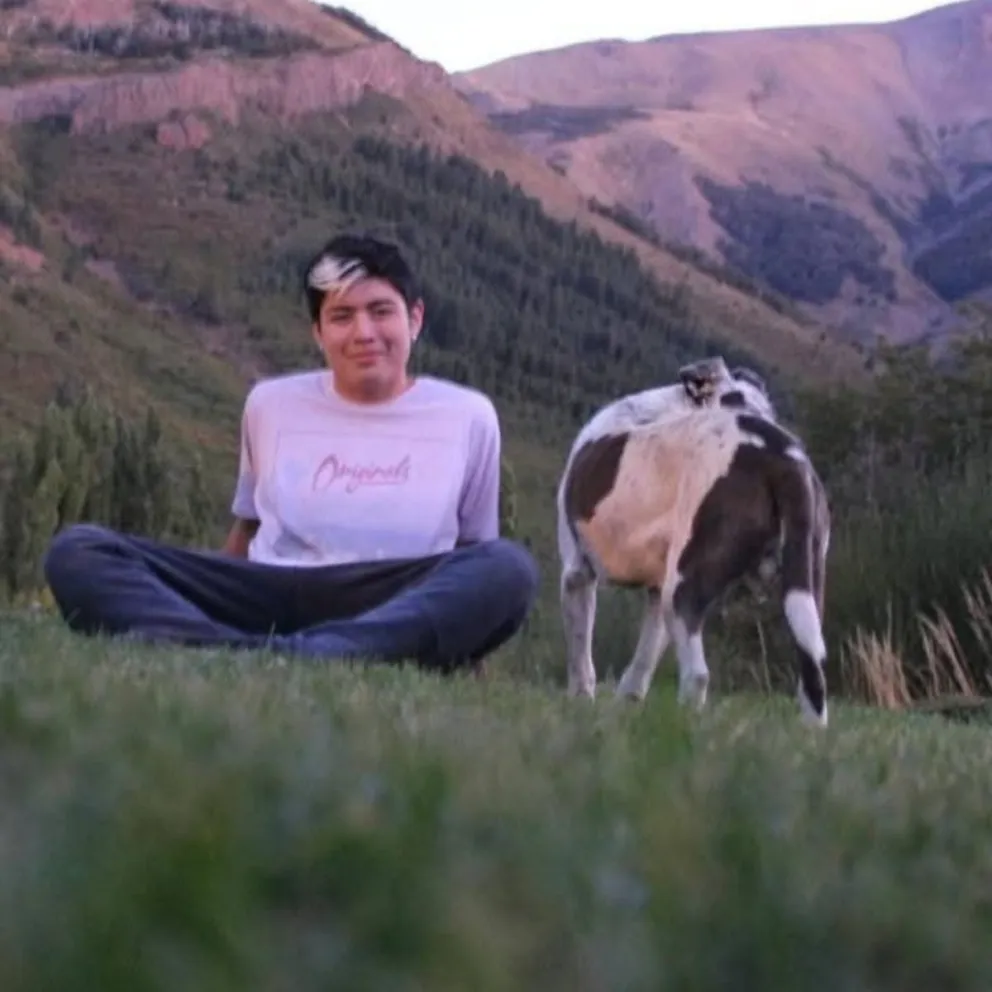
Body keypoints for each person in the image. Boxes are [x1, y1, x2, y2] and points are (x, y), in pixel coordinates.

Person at [42, 233, 541, 674]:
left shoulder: (469, 416)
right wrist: (214, 590)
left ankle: (255, 654)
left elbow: (471, 554)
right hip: (269, 587)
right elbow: (249, 527)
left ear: (415, 319)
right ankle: (276, 652)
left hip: (391, 597)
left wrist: (471, 643)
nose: (364, 333)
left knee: (508, 568)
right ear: (319, 333)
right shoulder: (270, 403)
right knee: (78, 551)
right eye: (341, 316)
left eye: (381, 311)